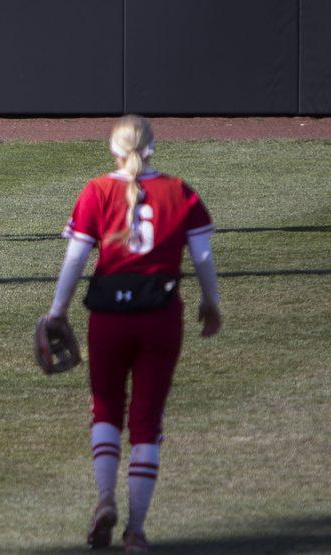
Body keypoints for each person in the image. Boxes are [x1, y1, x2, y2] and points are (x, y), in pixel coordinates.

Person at [45, 115, 222, 553]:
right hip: (160, 317)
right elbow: (202, 259)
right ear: (152, 148)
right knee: (146, 421)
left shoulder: (96, 191)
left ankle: (105, 499)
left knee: (105, 410)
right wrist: (210, 303)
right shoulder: (180, 192)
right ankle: (137, 531)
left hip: (107, 317)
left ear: (113, 149)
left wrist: (56, 312)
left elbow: (74, 261)